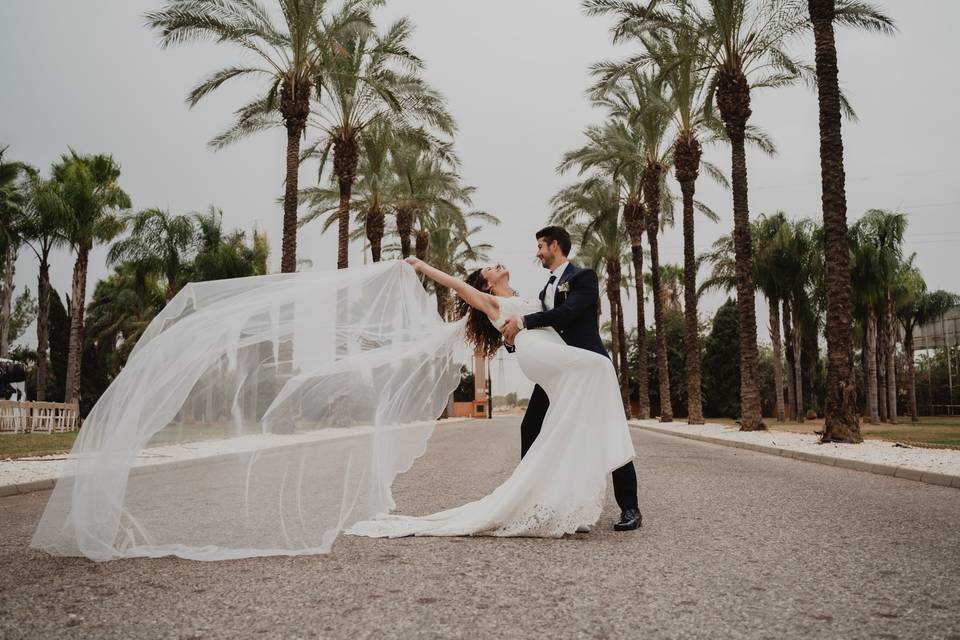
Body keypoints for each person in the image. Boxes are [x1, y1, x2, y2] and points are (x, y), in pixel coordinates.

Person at [346, 233, 641, 539]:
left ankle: (624, 506)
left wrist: (520, 328)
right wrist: (421, 265)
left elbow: (556, 317)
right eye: (488, 268)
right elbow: (459, 287)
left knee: (577, 426)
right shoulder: (492, 299)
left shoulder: (570, 281)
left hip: (573, 361)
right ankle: (534, 499)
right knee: (539, 424)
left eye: (540, 246)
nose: (535, 252)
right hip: (557, 364)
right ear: (485, 284)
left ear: (555, 245)